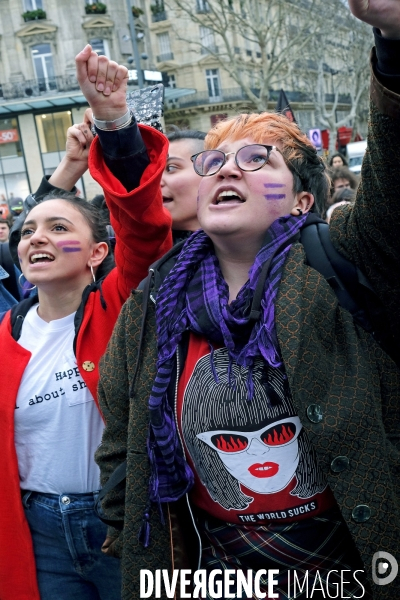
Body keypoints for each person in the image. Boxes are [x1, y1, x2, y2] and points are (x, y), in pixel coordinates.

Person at [95, 1, 400, 598]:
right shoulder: (156, 300)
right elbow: (121, 437)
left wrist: (392, 40)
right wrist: (130, 526)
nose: (226, 169)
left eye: (258, 159)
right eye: (213, 161)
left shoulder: (342, 261)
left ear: (302, 202)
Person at [0, 45, 173, 600]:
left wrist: (114, 124)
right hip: (40, 533)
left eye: (59, 229)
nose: (37, 239)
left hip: (122, 527)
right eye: (28, 234)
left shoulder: (119, 306)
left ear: (100, 253)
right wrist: (64, 175)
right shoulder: (6, 338)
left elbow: (143, 227)